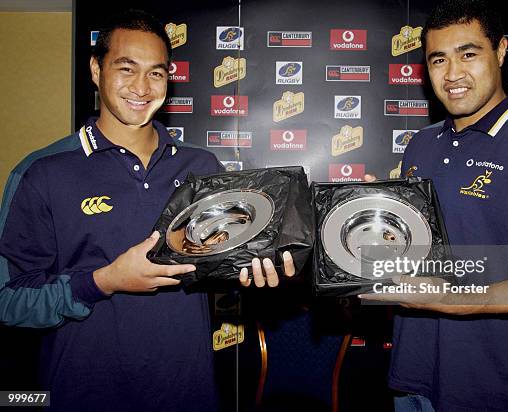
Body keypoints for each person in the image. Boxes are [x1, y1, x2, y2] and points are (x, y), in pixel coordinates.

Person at [0, 9, 292, 411]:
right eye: (126, 68)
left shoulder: (201, 168)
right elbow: (9, 303)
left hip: (185, 392)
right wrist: (103, 280)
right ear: (95, 69)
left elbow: (218, 271)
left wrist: (255, 273)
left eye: (156, 72)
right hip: (81, 394)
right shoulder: (42, 173)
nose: (142, 86)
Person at [361, 0, 508, 410]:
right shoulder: (422, 143)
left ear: (502, 51)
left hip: (491, 385)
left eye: (468, 54)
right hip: (413, 374)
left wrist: (458, 298)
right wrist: (378, 220)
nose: (453, 74)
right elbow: (425, 249)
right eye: (439, 59)